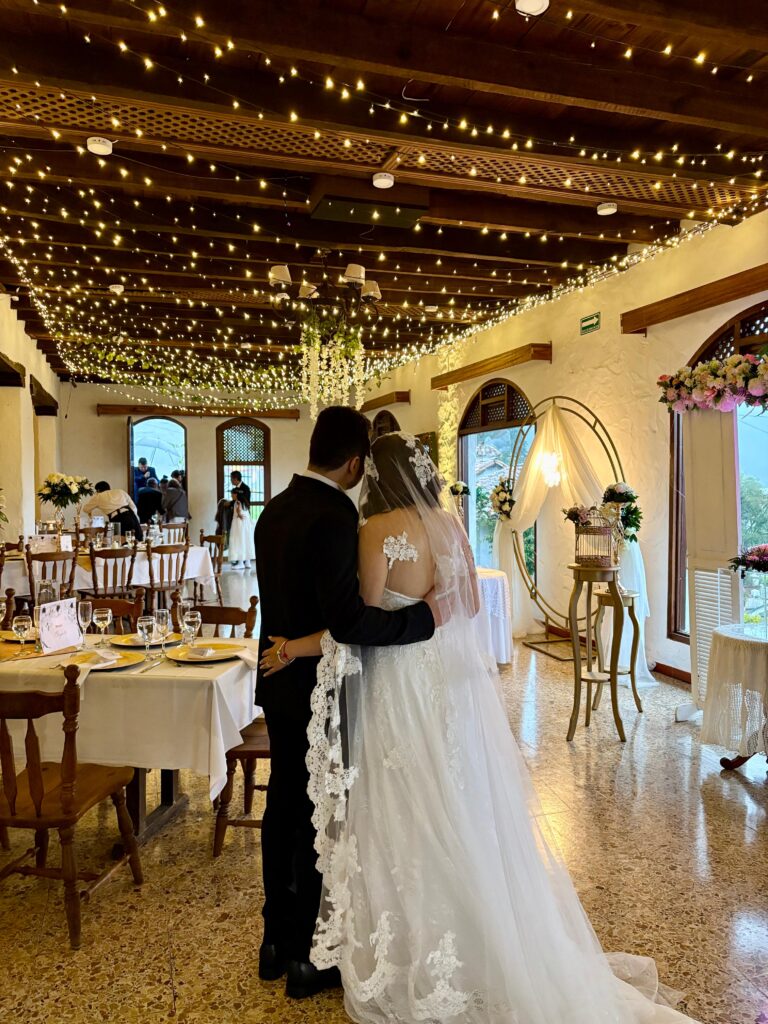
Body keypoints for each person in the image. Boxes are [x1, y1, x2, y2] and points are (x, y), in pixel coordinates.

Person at [260, 433, 701, 1024]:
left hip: (396, 683)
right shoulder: (451, 525)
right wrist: (432, 607)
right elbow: (467, 607)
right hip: (444, 683)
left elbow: (357, 626)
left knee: (398, 805)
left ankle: (405, 941)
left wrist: (293, 646)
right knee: (455, 799)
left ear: (375, 475)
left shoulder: (375, 530)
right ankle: (475, 927)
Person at [254, 408, 438, 1002]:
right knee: (321, 814)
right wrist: (422, 621)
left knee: (283, 805)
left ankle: (274, 940)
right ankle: (309, 957)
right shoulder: (336, 517)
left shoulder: (274, 509)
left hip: (277, 681)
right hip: (319, 688)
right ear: (356, 463)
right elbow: (351, 622)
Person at [215, 471, 252, 566]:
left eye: (231, 479)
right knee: (242, 539)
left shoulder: (245, 488)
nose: (231, 480)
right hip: (242, 516)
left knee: (240, 539)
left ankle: (242, 561)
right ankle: (244, 561)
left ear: (235, 479)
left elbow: (245, 501)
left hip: (241, 519)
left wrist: (232, 503)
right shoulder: (237, 494)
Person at [226, 487, 254, 569]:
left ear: (236, 494)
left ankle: (241, 563)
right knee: (246, 541)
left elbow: (239, 512)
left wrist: (238, 514)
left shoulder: (237, 502)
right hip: (246, 524)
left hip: (238, 523)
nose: (231, 496)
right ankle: (248, 562)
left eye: (232, 494)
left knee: (238, 541)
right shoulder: (245, 502)